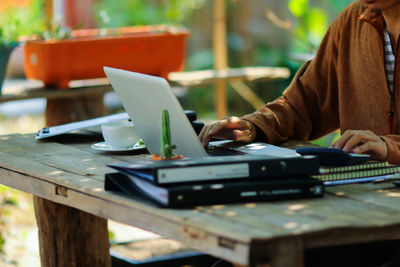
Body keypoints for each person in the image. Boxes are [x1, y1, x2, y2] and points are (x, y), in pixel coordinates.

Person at [200, 0, 400, 164]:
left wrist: (389, 148)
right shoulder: (353, 21)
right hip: (365, 192)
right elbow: (302, 105)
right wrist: (252, 126)